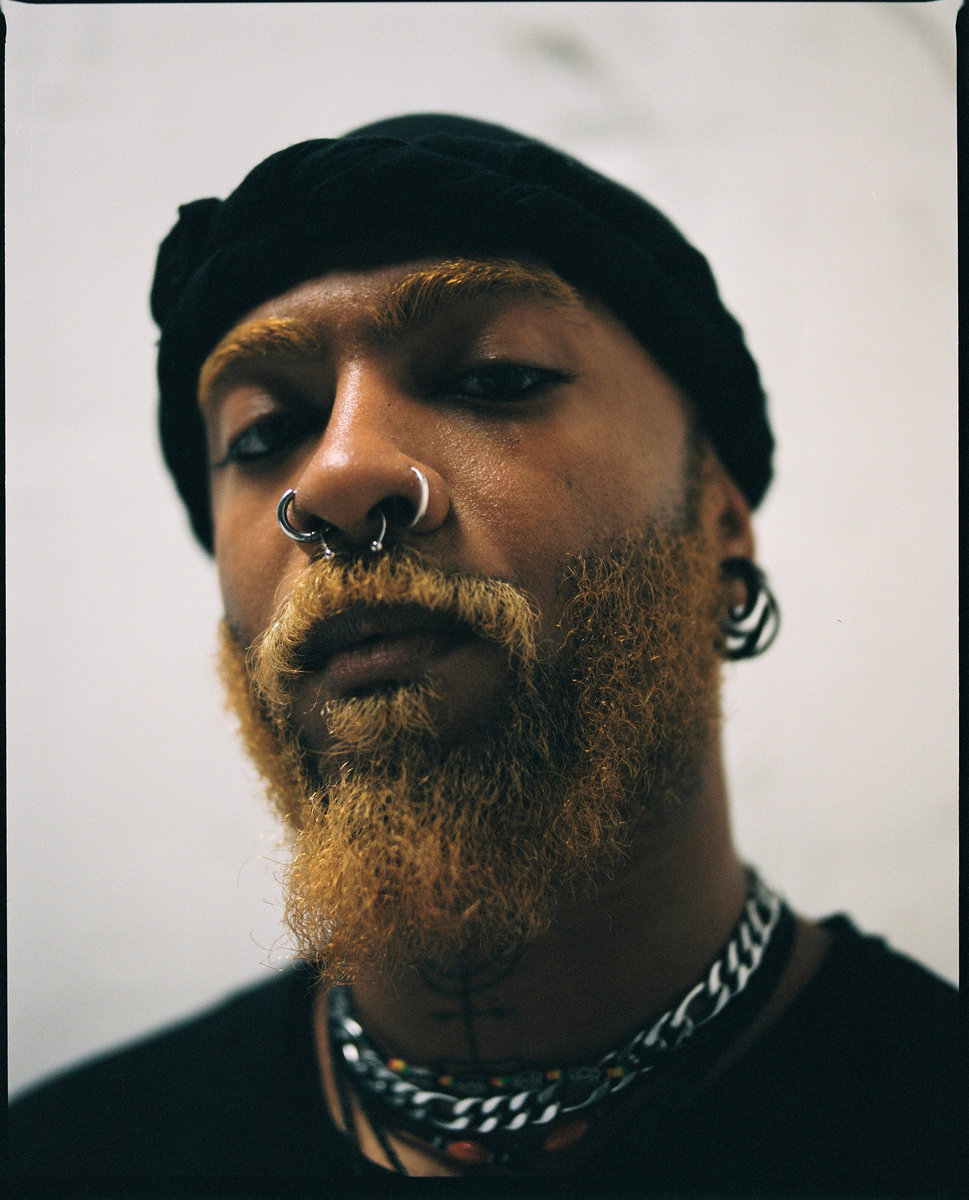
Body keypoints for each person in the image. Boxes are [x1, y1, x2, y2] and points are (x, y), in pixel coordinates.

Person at [7, 114, 959, 1198]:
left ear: (720, 522)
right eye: (266, 432)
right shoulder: (60, 1165)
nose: (335, 477)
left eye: (495, 378)